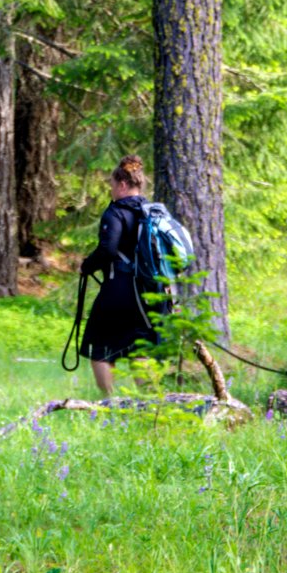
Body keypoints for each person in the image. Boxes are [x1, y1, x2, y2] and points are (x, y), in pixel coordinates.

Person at [79, 155, 168, 394]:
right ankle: (153, 404)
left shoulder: (115, 212)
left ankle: (110, 403)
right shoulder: (152, 213)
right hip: (147, 293)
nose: (111, 191)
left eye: (111, 185)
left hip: (118, 290)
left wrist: (87, 266)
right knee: (139, 349)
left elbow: (108, 249)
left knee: (98, 348)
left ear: (122, 185)